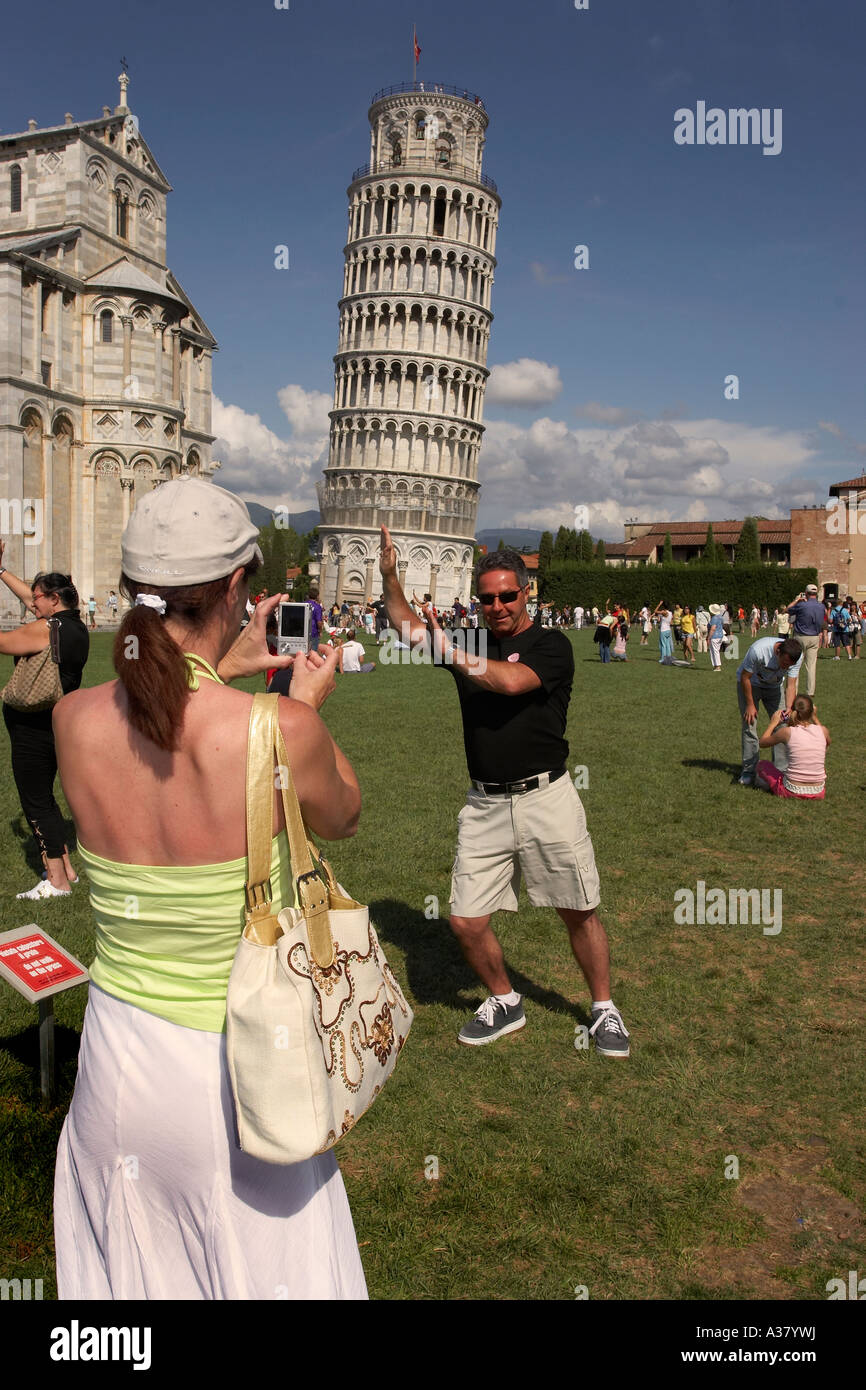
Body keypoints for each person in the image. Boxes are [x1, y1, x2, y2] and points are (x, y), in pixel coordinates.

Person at [52, 478, 367, 1300]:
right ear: (237, 588)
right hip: (235, 1067)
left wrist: (220, 664)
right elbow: (344, 815)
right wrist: (299, 707)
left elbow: (160, 703)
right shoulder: (278, 731)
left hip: (114, 1057)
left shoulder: (72, 721)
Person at [379, 527, 629, 1057]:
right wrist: (389, 578)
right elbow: (406, 627)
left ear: (525, 593)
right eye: (487, 597)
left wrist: (451, 650)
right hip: (485, 802)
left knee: (577, 909)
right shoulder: (469, 642)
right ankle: (504, 998)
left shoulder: (551, 645)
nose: (496, 606)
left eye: (507, 596)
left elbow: (511, 683)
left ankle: (604, 1007)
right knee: (465, 920)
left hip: (546, 798)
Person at [0, 546, 89, 898]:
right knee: (46, 799)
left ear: (53, 600)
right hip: (54, 724)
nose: (31, 605)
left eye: (37, 600)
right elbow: (34, 597)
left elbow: (5, 642)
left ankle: (56, 881)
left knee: (35, 801)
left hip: (32, 728)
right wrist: (2, 572)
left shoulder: (45, 629)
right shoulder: (73, 627)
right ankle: (65, 868)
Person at [736, 635, 803, 786]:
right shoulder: (758, 650)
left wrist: (789, 707)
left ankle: (781, 770)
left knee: (782, 726)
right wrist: (750, 704)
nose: (785, 667)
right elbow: (744, 678)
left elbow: (791, 685)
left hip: (774, 688)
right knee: (749, 725)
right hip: (750, 685)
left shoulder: (796, 656)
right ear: (778, 652)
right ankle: (748, 771)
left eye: (789, 665)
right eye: (784, 663)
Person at [755, 695, 829, 799]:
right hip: (818, 792)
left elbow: (762, 743)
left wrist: (773, 723)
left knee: (762, 764)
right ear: (811, 711)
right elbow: (826, 742)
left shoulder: (787, 732)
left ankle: (766, 787)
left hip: (792, 791)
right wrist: (815, 718)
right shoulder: (823, 731)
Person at [786, 584, 825, 695]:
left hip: (800, 636)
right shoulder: (821, 606)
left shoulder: (802, 605)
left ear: (806, 593)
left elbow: (787, 610)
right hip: (815, 637)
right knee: (811, 666)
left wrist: (797, 600)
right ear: (816, 594)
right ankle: (810, 691)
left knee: (795, 664)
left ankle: (794, 689)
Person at [829, 596, 854, 662]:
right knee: (846, 643)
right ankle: (849, 656)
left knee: (837, 644)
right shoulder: (845, 610)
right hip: (845, 629)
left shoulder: (833, 610)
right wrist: (845, 624)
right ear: (841, 603)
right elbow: (849, 619)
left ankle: (837, 656)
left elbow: (830, 621)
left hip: (836, 629)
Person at [306, 584, 324, 653]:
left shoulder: (303, 604)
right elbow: (319, 621)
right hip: (313, 632)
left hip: (302, 632)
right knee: (313, 653)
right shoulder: (317, 607)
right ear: (317, 596)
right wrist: (320, 631)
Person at [707, 604, 725, 672]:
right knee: (715, 651)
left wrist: (709, 638)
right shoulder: (720, 617)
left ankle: (717, 666)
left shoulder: (714, 618)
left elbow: (713, 628)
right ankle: (716, 666)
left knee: (715, 651)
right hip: (720, 635)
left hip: (715, 636)